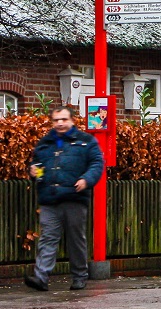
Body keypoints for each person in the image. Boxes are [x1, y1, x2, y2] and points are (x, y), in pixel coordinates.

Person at [25, 106, 105, 291]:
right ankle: (41, 277)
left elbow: (96, 163)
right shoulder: (45, 143)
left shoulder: (86, 142)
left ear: (72, 121)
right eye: (56, 120)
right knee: (48, 238)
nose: (60, 123)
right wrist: (33, 171)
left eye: (63, 119)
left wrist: (87, 179)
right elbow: (37, 164)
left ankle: (79, 276)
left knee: (76, 239)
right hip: (49, 199)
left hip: (74, 197)